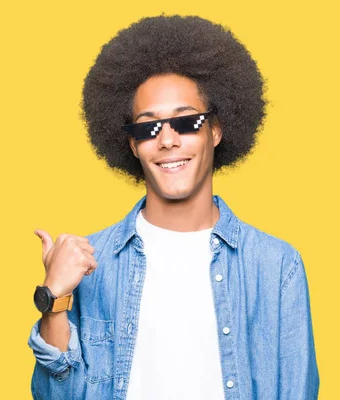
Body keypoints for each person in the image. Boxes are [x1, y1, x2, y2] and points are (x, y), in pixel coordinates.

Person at [27, 15, 319, 400]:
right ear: (133, 145)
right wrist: (54, 300)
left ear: (215, 129)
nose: (166, 140)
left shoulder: (276, 267)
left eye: (185, 122)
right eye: (148, 128)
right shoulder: (89, 265)